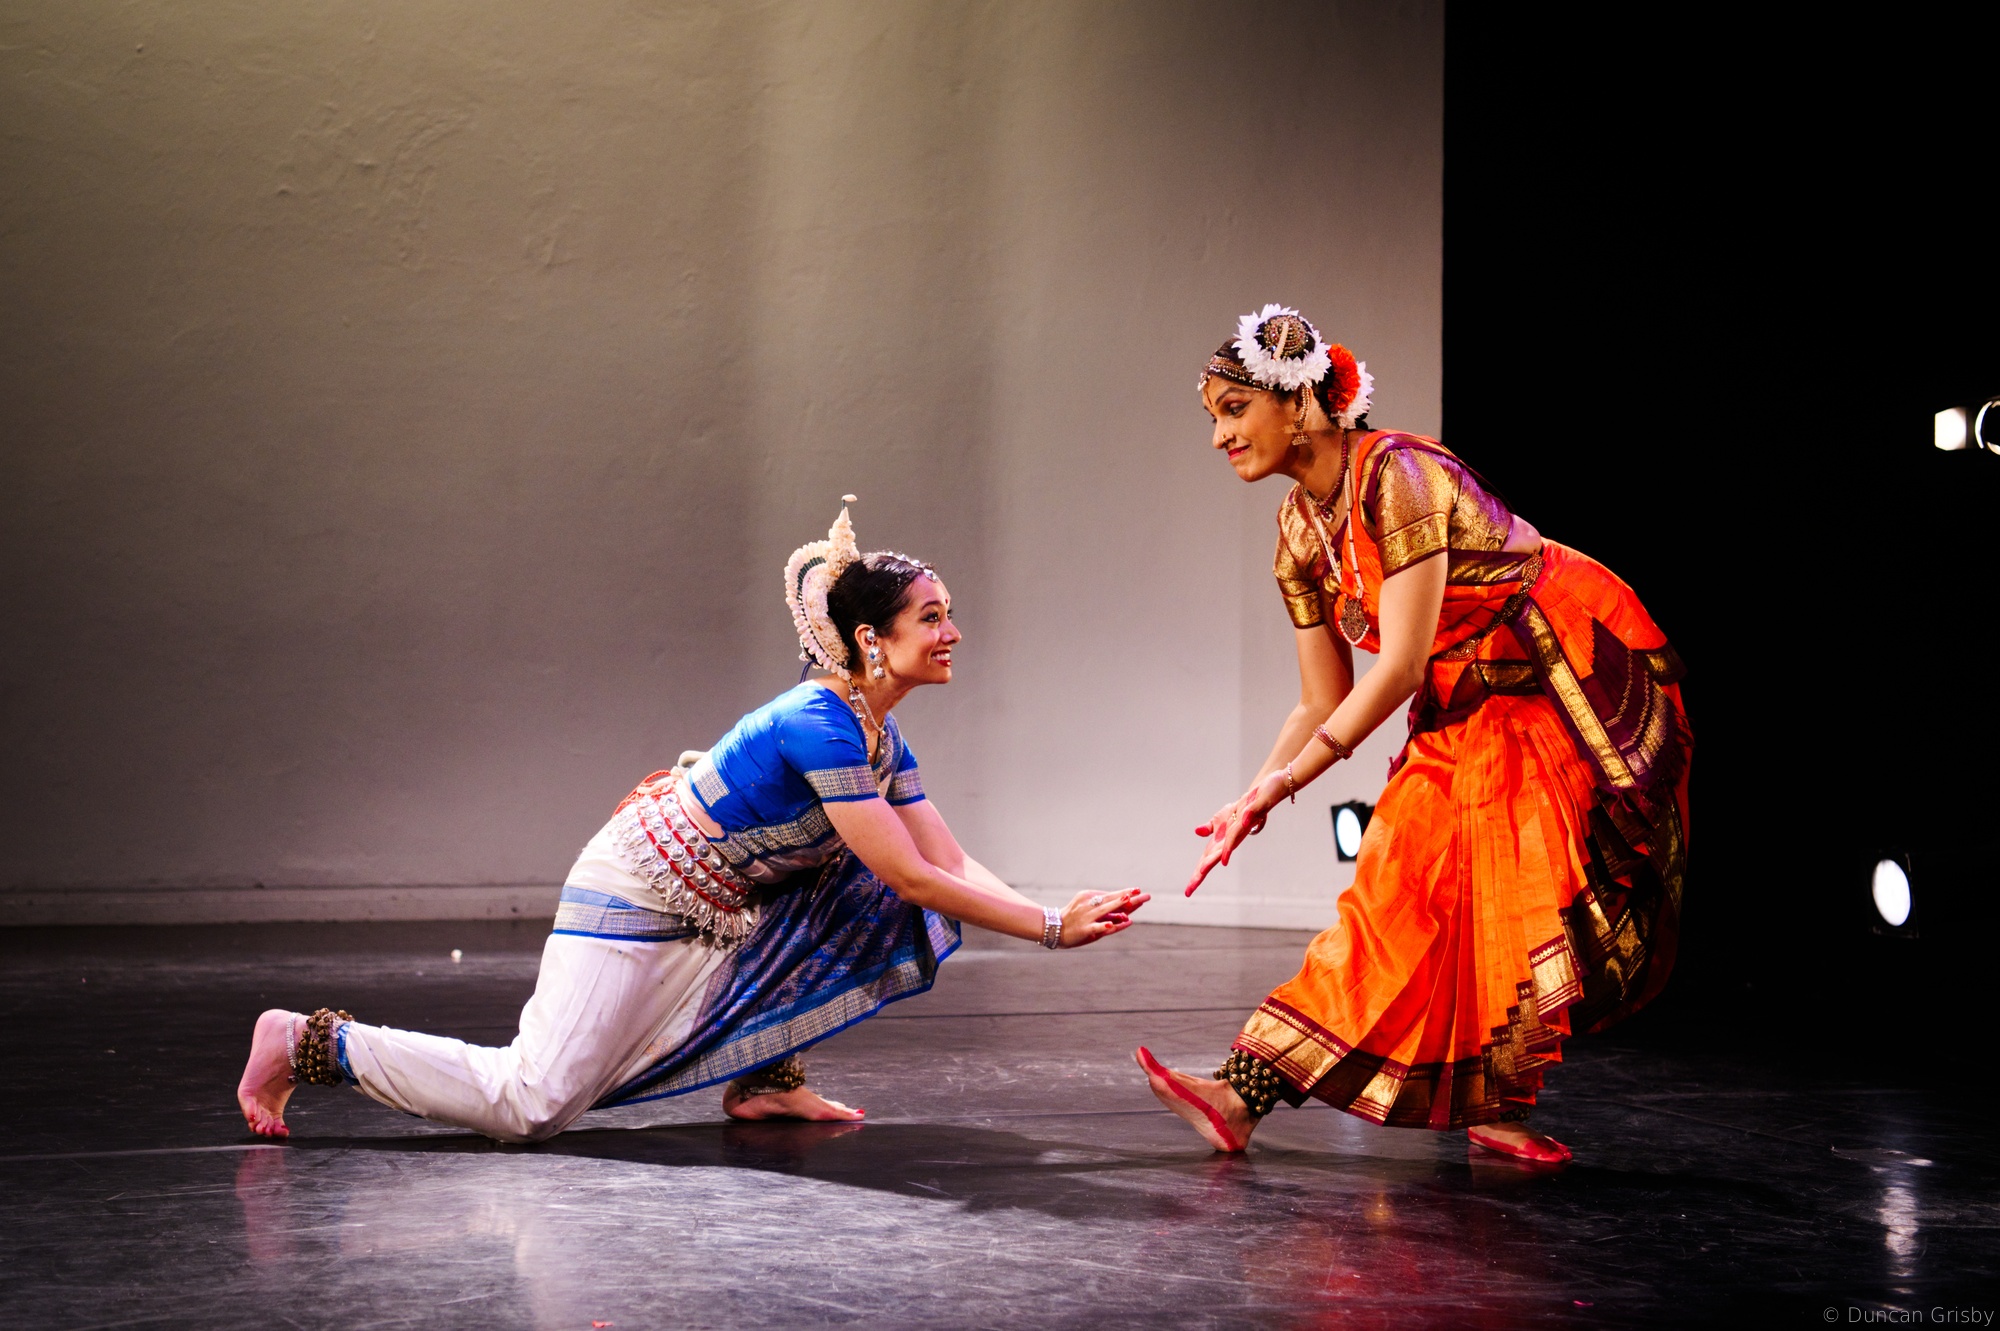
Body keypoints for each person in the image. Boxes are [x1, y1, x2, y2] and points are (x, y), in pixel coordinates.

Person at [239, 498, 1149, 1143]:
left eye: (950, 615)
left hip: (722, 906)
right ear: (872, 639)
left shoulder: (878, 734)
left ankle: (765, 1076)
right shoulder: (819, 722)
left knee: (873, 887)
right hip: (638, 894)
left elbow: (943, 858)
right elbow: (916, 875)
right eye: (933, 617)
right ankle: (312, 1042)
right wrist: (1049, 928)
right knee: (530, 1104)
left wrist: (1053, 913)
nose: (953, 634)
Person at [1136, 307, 1689, 1164]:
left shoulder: (1400, 476)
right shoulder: (1296, 532)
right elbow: (1321, 698)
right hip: (1462, 693)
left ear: (1300, 402)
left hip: (1552, 675)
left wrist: (1287, 784)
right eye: (1215, 417)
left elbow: (1393, 670)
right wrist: (1256, 794)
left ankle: (1496, 1103)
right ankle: (1241, 1094)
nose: (1220, 437)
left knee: (1513, 893)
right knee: (1396, 886)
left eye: (1235, 410)